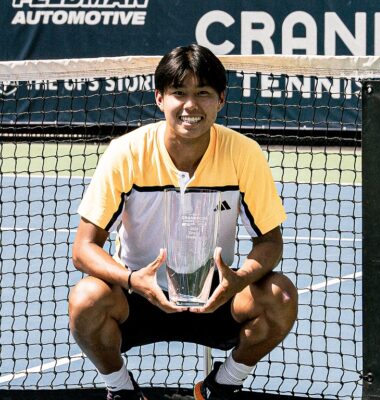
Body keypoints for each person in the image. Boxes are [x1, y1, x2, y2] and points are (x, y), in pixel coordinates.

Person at [68, 44, 298, 400]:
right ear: (160, 98)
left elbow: (270, 242)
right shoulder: (126, 152)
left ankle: (222, 385)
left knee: (279, 295)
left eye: (203, 93)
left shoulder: (244, 153)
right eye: (179, 93)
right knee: (86, 299)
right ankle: (121, 390)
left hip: (216, 295)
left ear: (221, 99)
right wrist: (133, 280)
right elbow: (84, 248)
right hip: (138, 295)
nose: (190, 106)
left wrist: (240, 279)